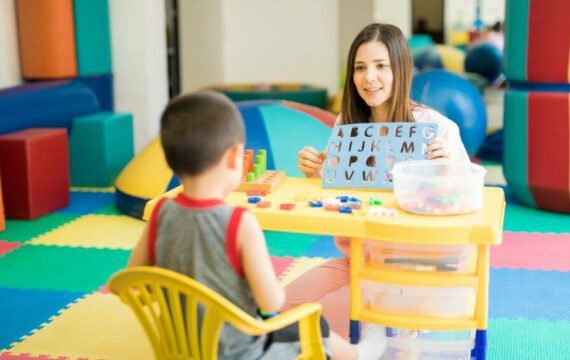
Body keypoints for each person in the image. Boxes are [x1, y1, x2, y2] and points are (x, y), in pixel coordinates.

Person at [127, 91, 386, 359]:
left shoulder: (160, 212)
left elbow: (134, 279)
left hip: (180, 345)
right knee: (314, 328)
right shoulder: (239, 223)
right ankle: (361, 354)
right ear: (234, 157)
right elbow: (271, 302)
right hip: (241, 350)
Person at [288, 23, 470, 338]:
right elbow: (337, 192)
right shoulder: (348, 126)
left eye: (381, 66)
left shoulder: (437, 128)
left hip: (412, 271)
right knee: (279, 312)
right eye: (360, 68)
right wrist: (315, 171)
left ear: (401, 69)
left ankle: (399, 333)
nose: (369, 77)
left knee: (318, 326)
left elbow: (471, 203)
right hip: (357, 260)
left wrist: (448, 172)